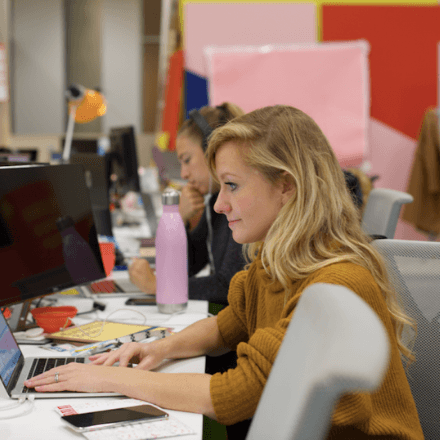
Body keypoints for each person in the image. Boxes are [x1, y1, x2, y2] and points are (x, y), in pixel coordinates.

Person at [25, 105, 424, 439]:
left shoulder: (335, 280)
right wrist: (158, 348)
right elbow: (226, 325)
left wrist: (110, 380)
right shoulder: (280, 261)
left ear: (286, 186)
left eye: (232, 186)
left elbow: (232, 393)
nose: (218, 205)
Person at [128, 103, 246, 307]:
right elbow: (191, 265)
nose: (183, 174)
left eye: (187, 160)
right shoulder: (215, 201)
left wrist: (160, 286)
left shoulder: (243, 203)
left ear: (214, 151)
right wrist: (179, 218)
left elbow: (228, 285)